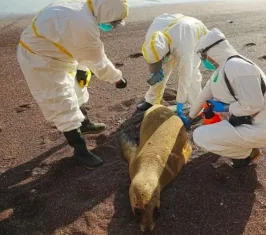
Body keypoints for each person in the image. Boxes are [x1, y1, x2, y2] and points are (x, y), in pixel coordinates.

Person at [16, 0, 129, 169]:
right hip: (40, 60)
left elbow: (75, 44)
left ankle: (84, 124)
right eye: (111, 23)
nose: (109, 26)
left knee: (78, 89)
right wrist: (118, 79)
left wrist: (82, 67)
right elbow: (98, 61)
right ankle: (80, 150)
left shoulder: (82, 6)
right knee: (62, 102)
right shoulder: (83, 24)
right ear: (108, 13)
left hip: (60, 53)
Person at [180, 28, 266, 168]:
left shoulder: (238, 66)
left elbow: (254, 104)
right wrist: (189, 117)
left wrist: (225, 107)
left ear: (213, 50)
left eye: (204, 56)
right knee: (210, 122)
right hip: (242, 122)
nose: (204, 60)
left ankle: (247, 153)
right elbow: (203, 96)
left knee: (200, 136)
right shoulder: (221, 71)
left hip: (259, 128)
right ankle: (243, 148)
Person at [137, 13, 209, 120]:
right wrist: (156, 69)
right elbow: (155, 54)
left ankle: (197, 107)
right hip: (174, 32)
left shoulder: (183, 47)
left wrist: (180, 101)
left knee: (192, 73)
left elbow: (185, 74)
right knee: (163, 68)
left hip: (194, 33)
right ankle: (151, 100)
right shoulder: (151, 38)